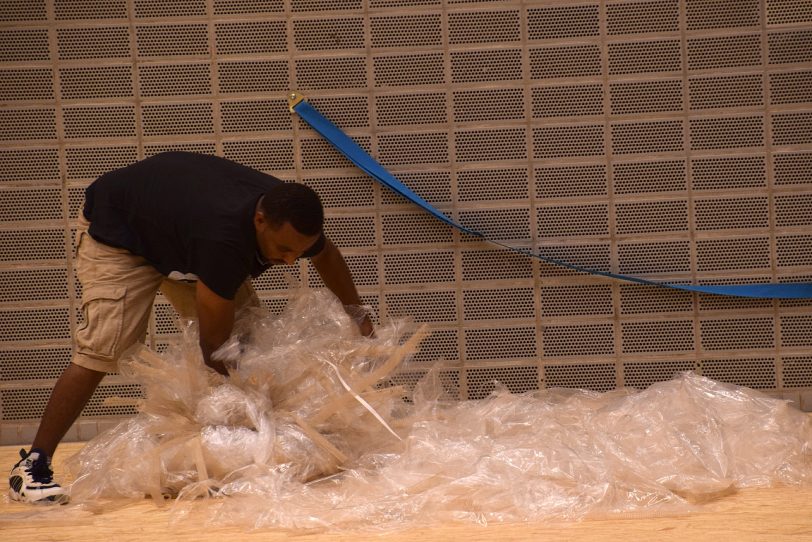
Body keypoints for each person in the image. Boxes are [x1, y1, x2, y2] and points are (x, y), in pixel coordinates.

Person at [8, 151, 372, 504]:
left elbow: (327, 255)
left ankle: (221, 459)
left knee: (249, 342)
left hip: (181, 230)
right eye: (282, 249)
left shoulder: (290, 217)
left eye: (298, 251)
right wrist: (261, 416)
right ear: (260, 220)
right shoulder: (223, 239)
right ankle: (33, 465)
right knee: (104, 349)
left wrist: (360, 317)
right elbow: (213, 347)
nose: (291, 260)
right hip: (120, 233)